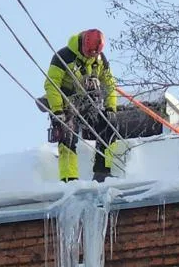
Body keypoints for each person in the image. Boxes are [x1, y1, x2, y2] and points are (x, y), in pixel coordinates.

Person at [43, 28, 121, 182]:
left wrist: (111, 108)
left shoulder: (100, 60)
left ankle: (102, 171)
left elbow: (110, 85)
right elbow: (51, 85)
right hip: (66, 106)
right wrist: (58, 111)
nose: (89, 56)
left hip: (87, 105)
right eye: (88, 53)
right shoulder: (63, 57)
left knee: (109, 125)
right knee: (67, 134)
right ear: (83, 45)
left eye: (94, 54)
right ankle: (69, 178)